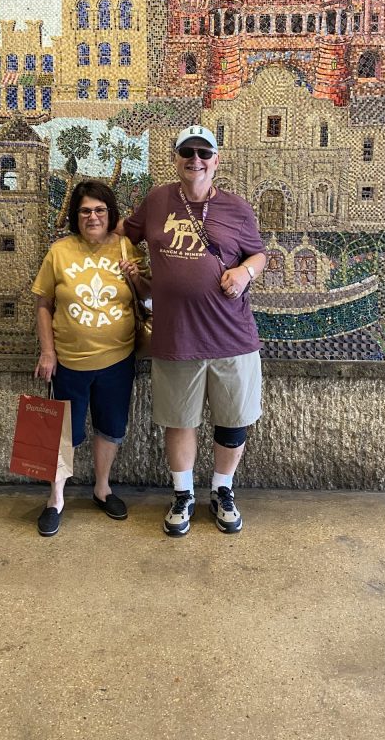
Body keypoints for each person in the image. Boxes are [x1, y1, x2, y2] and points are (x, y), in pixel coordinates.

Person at [123, 125, 266, 536]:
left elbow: (259, 253)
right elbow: (124, 236)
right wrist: (131, 275)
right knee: (179, 420)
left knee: (233, 420)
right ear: (176, 158)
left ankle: (223, 490)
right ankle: (182, 493)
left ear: (216, 160)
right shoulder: (156, 200)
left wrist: (243, 271)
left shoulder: (237, 209)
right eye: (187, 151)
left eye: (204, 152)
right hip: (177, 336)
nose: (195, 159)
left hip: (232, 337)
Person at [32, 180, 148, 536]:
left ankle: (102, 488)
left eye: (99, 210)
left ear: (110, 214)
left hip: (118, 360)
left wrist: (135, 279)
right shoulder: (60, 252)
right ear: (75, 216)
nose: (92, 216)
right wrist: (48, 352)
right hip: (69, 362)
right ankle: (56, 498)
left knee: (111, 429)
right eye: (85, 211)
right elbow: (43, 304)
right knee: (62, 434)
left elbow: (149, 298)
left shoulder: (127, 249)